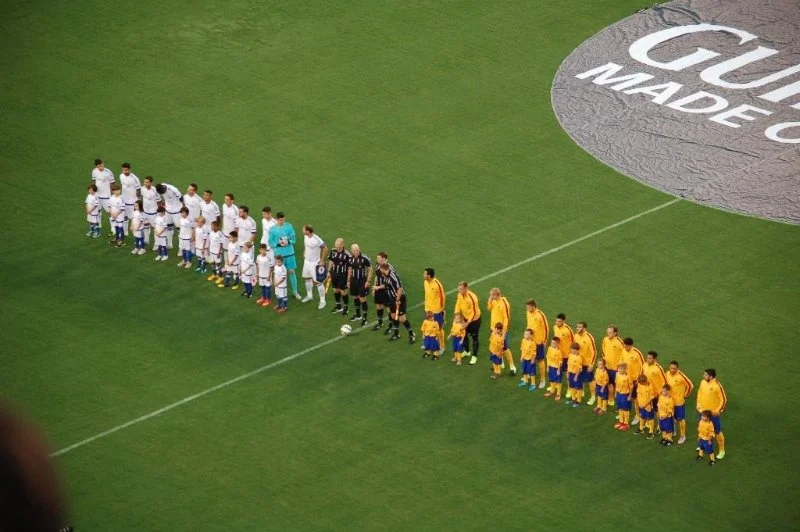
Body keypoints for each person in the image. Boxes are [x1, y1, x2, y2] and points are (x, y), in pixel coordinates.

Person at [377, 262, 415, 343]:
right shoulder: (386, 276)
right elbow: (386, 285)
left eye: (380, 269)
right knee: (393, 316)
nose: (380, 271)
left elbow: (400, 288)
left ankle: (411, 334)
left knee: (402, 319)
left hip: (399, 299)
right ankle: (396, 334)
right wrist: (378, 287)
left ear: (383, 269)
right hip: (392, 299)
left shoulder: (393, 276)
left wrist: (398, 300)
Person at [268, 212, 300, 300]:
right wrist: (279, 244)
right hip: (279, 255)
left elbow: (294, 239)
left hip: (289, 253)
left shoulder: (289, 226)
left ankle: (295, 291)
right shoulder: (272, 230)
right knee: (278, 273)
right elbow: (270, 242)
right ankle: (278, 291)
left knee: (291, 272)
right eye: (281, 219)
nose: (282, 221)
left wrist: (288, 242)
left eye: (283, 219)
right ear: (277, 219)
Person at [696, 368, 727, 459]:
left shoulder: (717, 385)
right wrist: (698, 404)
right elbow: (699, 392)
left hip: (713, 414)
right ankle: (704, 445)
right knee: (702, 428)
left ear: (711, 376)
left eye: (705, 375)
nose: (703, 376)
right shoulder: (703, 382)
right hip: (702, 412)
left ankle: (722, 450)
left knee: (717, 431)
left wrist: (718, 410)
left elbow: (723, 399)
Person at [665, 360, 694, 444]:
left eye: (674, 368)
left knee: (680, 419)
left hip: (678, 402)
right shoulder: (667, 374)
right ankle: (673, 431)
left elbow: (690, 385)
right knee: (671, 417)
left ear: (677, 368)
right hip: (670, 401)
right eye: (671, 368)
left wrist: (686, 395)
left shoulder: (681, 376)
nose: (672, 370)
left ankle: (683, 436)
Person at [487, 288, 515, 375]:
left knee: (505, 348)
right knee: (495, 345)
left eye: (492, 295)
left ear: (497, 295)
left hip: (501, 330)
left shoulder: (504, 303)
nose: (491, 296)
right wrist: (490, 301)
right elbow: (489, 308)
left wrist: (504, 331)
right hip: (493, 328)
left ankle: (512, 366)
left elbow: (507, 318)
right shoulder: (494, 300)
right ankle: (500, 363)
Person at [454, 282, 482, 365]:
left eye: (461, 289)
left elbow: (473, 312)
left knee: (474, 338)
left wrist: (468, 322)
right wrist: (456, 314)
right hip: (465, 318)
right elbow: (458, 304)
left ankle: (474, 356)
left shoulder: (472, 298)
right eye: (459, 289)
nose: (460, 291)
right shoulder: (459, 295)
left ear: (466, 288)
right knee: (464, 335)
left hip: (474, 320)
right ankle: (467, 351)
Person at [300, 225, 327, 309]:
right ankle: (309, 295)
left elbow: (325, 248)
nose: (302, 231)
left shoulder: (316, 239)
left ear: (308, 231)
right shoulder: (305, 236)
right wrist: (305, 252)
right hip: (307, 262)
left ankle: (323, 301)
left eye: (304, 230)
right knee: (307, 279)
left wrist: (322, 260)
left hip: (315, 263)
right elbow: (306, 245)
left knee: (318, 282)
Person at [621, 337, 645, 425]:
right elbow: (621, 362)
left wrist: (638, 379)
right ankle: (625, 411)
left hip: (635, 380)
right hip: (626, 378)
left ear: (631, 345)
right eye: (624, 346)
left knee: (636, 398)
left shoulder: (637, 353)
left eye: (627, 346)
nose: (625, 347)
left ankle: (638, 415)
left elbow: (643, 366)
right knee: (626, 395)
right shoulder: (623, 350)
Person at [525, 299, 549, 388]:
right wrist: (526, 335)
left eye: (528, 307)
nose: (527, 309)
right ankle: (529, 375)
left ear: (533, 306)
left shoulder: (540, 315)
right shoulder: (528, 313)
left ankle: (543, 379)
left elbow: (546, 328)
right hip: (530, 341)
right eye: (526, 307)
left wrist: (545, 340)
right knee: (529, 358)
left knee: (540, 360)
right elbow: (528, 324)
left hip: (538, 341)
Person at [347, 244, 372, 325]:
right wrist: (348, 280)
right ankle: (358, 315)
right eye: (354, 251)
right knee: (355, 297)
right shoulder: (350, 259)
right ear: (351, 251)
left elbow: (370, 270)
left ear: (359, 249)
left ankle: (365, 318)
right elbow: (350, 269)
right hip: (353, 280)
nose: (356, 252)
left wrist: (368, 281)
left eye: (357, 250)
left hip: (362, 281)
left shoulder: (364, 258)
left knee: (362, 298)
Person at [423, 269, 446, 357]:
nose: (423, 275)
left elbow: (443, 296)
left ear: (429, 275)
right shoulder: (425, 282)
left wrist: (442, 308)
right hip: (428, 309)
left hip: (436, 310)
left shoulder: (437, 284)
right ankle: (429, 344)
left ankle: (442, 347)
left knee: (439, 329)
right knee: (428, 326)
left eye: (425, 274)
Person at [574, 321, 597, 405]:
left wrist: (591, 364)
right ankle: (582, 392)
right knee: (580, 378)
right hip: (579, 362)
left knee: (590, 380)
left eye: (580, 327)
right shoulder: (576, 335)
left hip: (587, 364)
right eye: (577, 327)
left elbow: (594, 352)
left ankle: (593, 397)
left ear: (584, 328)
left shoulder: (589, 337)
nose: (578, 328)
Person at [155, 182, 183, 251]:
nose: (162, 194)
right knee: (169, 227)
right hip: (168, 211)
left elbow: (181, 198)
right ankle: (169, 244)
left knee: (179, 229)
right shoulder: (160, 187)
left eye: (162, 192)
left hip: (177, 212)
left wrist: (182, 209)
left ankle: (181, 249)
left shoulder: (173, 189)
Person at [371, 252, 394, 332]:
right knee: (379, 306)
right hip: (378, 289)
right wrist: (374, 288)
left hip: (386, 290)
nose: (377, 259)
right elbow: (377, 277)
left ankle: (391, 327)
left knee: (389, 308)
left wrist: (377, 287)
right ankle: (380, 323)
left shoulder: (389, 267)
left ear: (383, 258)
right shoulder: (377, 265)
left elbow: (389, 282)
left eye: (378, 258)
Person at [602, 325, 624, 407]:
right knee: (608, 383)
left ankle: (617, 401)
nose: (608, 334)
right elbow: (603, 349)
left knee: (617, 385)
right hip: (607, 366)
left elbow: (624, 354)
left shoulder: (619, 342)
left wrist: (620, 366)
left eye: (610, 333)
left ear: (615, 333)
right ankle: (610, 399)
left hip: (616, 368)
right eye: (608, 332)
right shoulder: (605, 339)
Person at [327, 238, 351, 314]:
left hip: (343, 274)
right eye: (336, 246)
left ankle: (346, 307)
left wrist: (348, 279)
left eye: (339, 246)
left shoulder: (347, 254)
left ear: (342, 245)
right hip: (334, 273)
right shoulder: (333, 251)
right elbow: (331, 260)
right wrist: (328, 271)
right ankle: (338, 306)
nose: (337, 248)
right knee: (335, 289)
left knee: (343, 291)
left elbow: (350, 267)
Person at [91, 158, 115, 235]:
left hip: (106, 196)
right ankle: (99, 224)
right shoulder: (94, 171)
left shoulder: (108, 172)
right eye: (98, 166)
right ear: (96, 166)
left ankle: (113, 228)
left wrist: (113, 194)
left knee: (109, 212)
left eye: (101, 165)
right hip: (97, 195)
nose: (100, 167)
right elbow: (94, 182)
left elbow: (112, 183)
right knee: (98, 210)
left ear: (103, 163)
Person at [552, 314, 574, 398]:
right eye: (556, 321)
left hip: (566, 355)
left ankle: (569, 389)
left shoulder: (568, 330)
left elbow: (573, 342)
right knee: (558, 371)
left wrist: (571, 354)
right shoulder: (555, 327)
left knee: (567, 373)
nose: (557, 322)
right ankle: (557, 385)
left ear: (564, 321)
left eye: (559, 321)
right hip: (557, 354)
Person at [643, 351, 667, 421]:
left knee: (657, 410)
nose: (648, 360)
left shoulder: (658, 368)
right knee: (648, 407)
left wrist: (660, 392)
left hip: (656, 394)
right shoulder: (644, 365)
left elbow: (664, 381)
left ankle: (659, 426)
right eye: (647, 358)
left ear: (654, 359)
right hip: (647, 392)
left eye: (650, 358)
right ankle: (648, 422)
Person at [119, 162, 140, 235]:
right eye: (123, 170)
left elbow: (138, 190)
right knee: (125, 217)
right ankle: (125, 231)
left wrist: (137, 200)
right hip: (124, 200)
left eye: (126, 170)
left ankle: (135, 230)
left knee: (133, 217)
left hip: (132, 202)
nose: (124, 172)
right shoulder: (121, 176)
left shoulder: (135, 178)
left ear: (130, 169)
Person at [140, 176, 161, 249]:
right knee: (146, 226)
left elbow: (159, 201)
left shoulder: (155, 190)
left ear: (151, 183)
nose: (145, 183)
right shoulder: (142, 188)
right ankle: (146, 240)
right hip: (145, 211)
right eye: (144, 182)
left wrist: (159, 212)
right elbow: (142, 198)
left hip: (153, 212)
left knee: (155, 228)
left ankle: (157, 243)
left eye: (147, 182)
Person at [634, 374, 655, 439]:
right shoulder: (640, 384)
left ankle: (651, 432)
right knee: (642, 417)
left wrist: (645, 405)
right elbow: (639, 394)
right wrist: (639, 403)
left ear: (645, 381)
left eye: (642, 383)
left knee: (650, 418)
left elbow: (651, 398)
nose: (641, 384)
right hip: (641, 405)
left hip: (648, 406)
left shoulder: (650, 387)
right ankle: (641, 428)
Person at [613, 363, 632, 430]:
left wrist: (630, 395)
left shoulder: (628, 376)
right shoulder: (617, 374)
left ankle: (626, 423)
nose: (620, 370)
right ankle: (621, 422)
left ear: (625, 369)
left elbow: (631, 387)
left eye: (621, 369)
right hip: (618, 394)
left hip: (625, 395)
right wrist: (615, 393)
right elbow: (616, 383)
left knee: (625, 409)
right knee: (620, 408)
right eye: (619, 368)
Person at [566, 343, 583, 408]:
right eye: (571, 349)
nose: (572, 350)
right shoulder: (570, 355)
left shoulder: (579, 358)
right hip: (570, 373)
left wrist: (576, 376)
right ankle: (573, 399)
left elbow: (579, 368)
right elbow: (568, 365)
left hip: (576, 375)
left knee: (578, 387)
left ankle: (578, 401)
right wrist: (567, 373)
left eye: (573, 349)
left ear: (577, 350)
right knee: (572, 386)